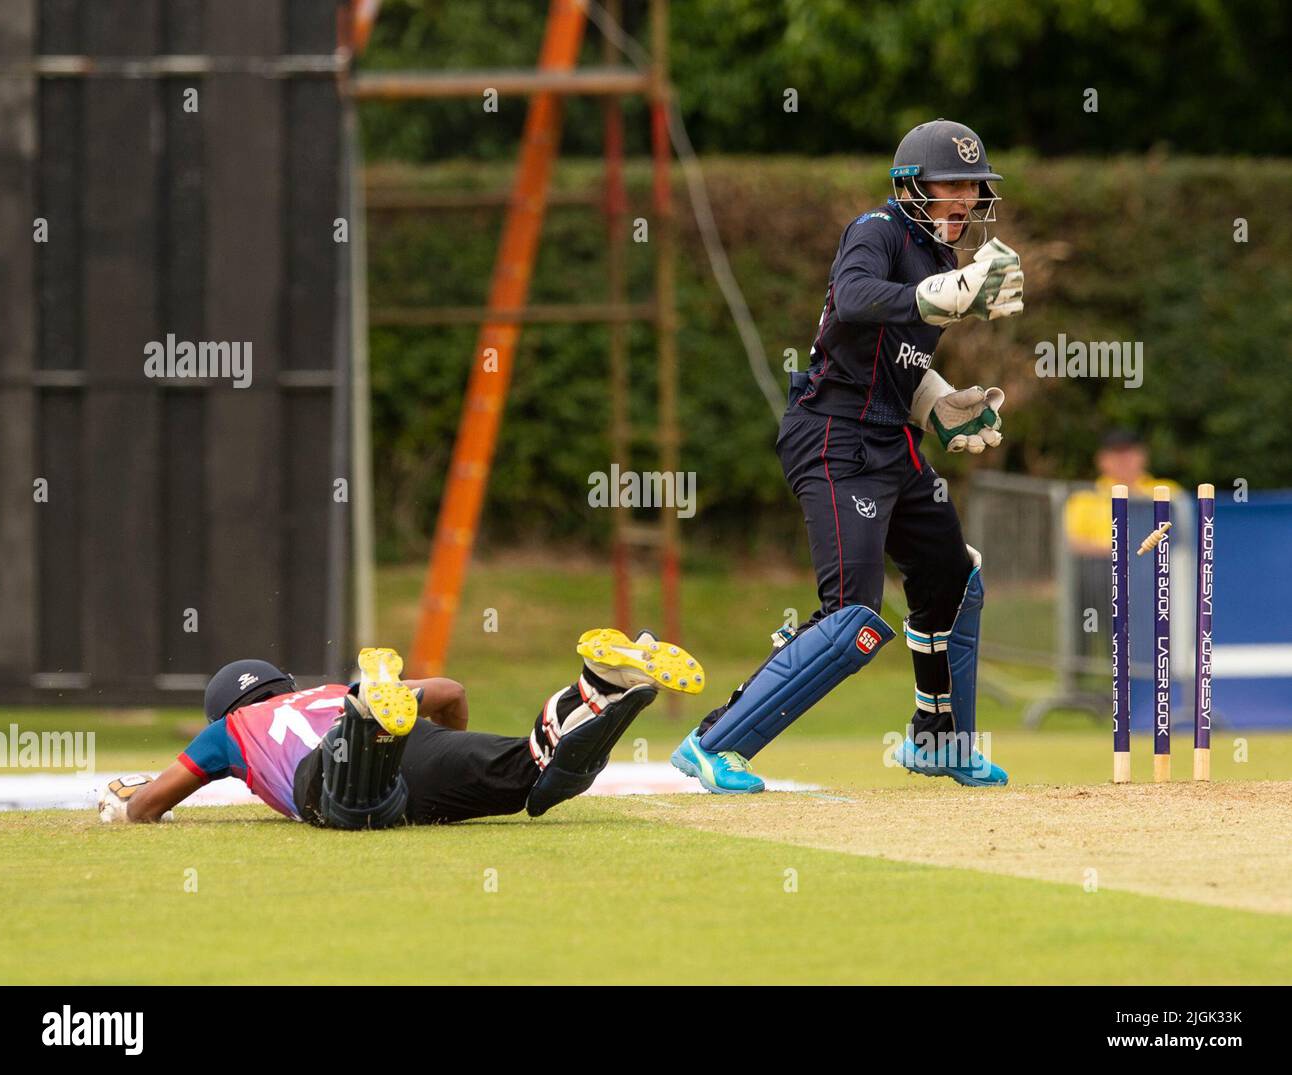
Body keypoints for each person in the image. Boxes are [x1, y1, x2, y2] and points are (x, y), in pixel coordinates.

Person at [671, 118, 1022, 793]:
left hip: (893, 440)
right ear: (911, 184)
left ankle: (938, 742)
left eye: (975, 186)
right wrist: (939, 297)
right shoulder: (876, 232)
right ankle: (713, 740)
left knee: (952, 577)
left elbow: (893, 359)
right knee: (852, 616)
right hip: (833, 438)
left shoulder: (942, 261)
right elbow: (857, 300)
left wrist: (939, 404)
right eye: (953, 183)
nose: (967, 197)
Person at [98, 632, 703, 828]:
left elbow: (150, 806)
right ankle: (600, 685)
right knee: (531, 778)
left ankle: (369, 728)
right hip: (419, 741)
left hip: (337, 771)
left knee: (353, 803)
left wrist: (124, 802)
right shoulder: (327, 691)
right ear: (282, 684)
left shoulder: (230, 729)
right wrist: (448, 744)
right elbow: (452, 693)